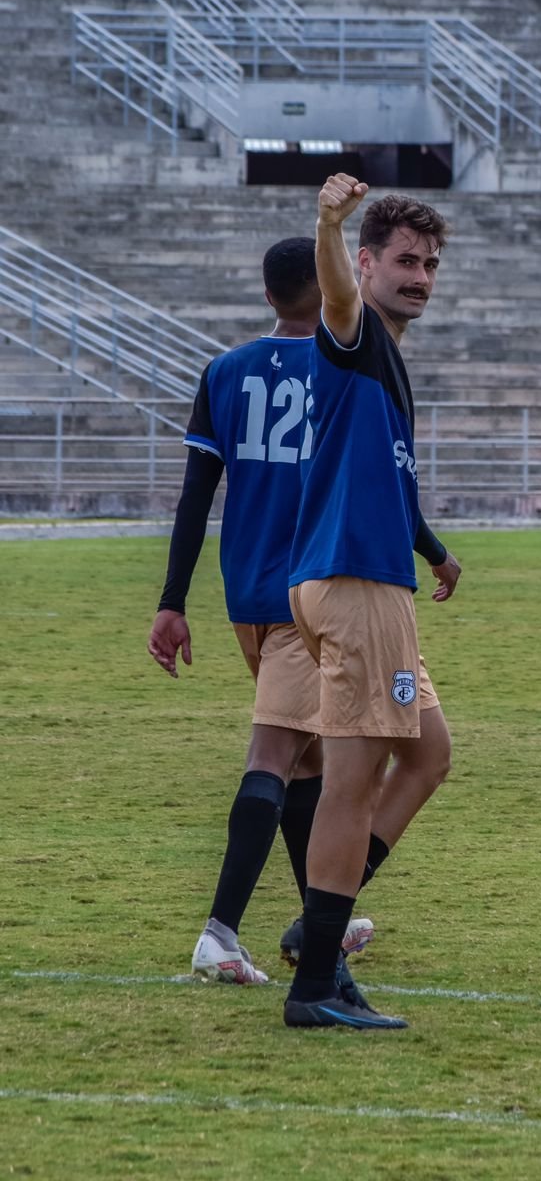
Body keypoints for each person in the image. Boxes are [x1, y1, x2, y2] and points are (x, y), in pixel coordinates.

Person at [147, 237, 459, 1006]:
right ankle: (241, 931)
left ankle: (318, 923)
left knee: (323, 765)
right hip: (325, 580)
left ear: (264, 294)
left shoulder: (226, 371)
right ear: (337, 283)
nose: (419, 278)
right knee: (294, 758)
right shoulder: (338, 360)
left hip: (253, 589)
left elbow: (195, 496)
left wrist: (173, 599)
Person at [282, 180, 452, 1031]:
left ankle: (316, 925)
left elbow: (387, 479)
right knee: (352, 786)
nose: (419, 276)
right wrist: (327, 222)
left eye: (429, 264)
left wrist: (435, 551)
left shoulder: (386, 359)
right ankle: (317, 981)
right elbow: (336, 296)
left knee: (427, 757)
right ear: (367, 263)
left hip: (367, 579)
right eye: (404, 261)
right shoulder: (352, 332)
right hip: (354, 584)